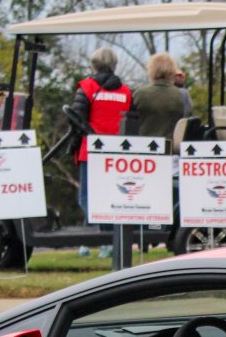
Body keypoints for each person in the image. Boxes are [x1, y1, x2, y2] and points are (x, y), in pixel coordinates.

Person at [71, 46, 133, 219]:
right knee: (110, 196)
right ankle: (107, 237)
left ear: (94, 65)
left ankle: (94, 237)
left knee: (87, 197)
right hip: (117, 154)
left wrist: (73, 146)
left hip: (90, 152)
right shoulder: (126, 92)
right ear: (114, 65)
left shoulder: (87, 88)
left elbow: (77, 122)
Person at [130, 52, 188, 140]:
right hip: (170, 148)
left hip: (143, 147)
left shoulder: (139, 94)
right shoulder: (181, 96)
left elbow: (130, 123)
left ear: (151, 70)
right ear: (172, 71)